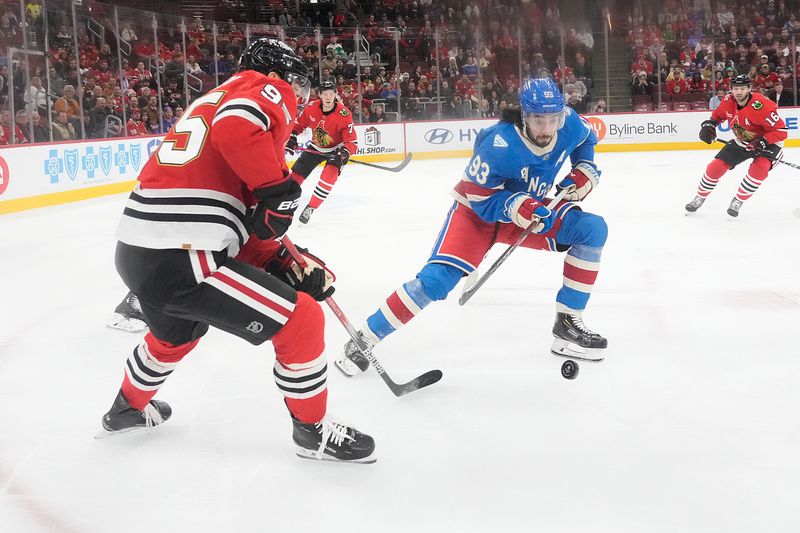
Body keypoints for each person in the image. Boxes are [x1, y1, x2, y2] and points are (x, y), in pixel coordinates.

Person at [99, 38, 375, 464]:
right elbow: (237, 127)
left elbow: (247, 227)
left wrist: (286, 260)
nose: (300, 97)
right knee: (301, 319)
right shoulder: (260, 87)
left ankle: (125, 410)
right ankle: (313, 431)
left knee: (175, 335)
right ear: (276, 74)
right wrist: (280, 191)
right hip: (183, 255)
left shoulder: (213, 100)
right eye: (298, 84)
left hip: (139, 249)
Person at [334, 78, 608, 376]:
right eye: (538, 120)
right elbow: (480, 196)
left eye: (553, 119)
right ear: (524, 114)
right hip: (477, 214)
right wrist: (519, 205)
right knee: (436, 281)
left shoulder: (568, 123)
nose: (547, 128)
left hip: (530, 212)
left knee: (592, 229)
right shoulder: (499, 143)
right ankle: (364, 338)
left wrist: (584, 168)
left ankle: (567, 323)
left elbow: (586, 139)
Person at [686, 74, 787, 218]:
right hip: (743, 140)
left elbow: (781, 131)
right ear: (731, 89)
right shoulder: (728, 100)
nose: (739, 92)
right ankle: (700, 197)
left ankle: (738, 200)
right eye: (736, 88)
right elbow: (717, 116)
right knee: (715, 167)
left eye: (742, 88)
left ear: (749, 89)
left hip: (769, 143)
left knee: (759, 170)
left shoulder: (761, 105)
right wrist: (709, 125)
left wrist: (762, 142)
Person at [285, 79, 358, 224]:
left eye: (331, 94)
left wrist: (345, 152)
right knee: (296, 176)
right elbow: (298, 125)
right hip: (315, 147)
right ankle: (283, 201)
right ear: (319, 95)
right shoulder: (311, 107)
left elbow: (352, 142)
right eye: (325, 94)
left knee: (328, 177)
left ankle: (311, 207)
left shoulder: (344, 114)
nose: (328, 97)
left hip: (335, 151)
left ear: (335, 94)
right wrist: (292, 136)